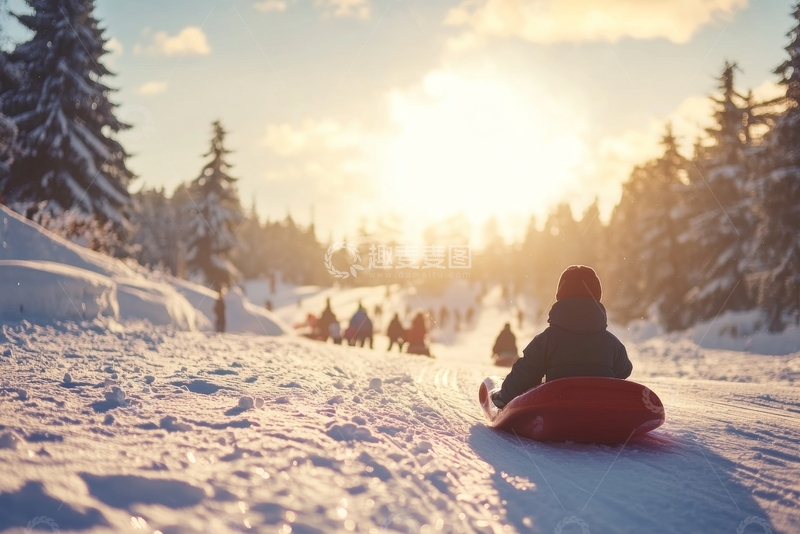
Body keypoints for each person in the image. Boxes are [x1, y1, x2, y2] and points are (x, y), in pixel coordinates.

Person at [492, 266, 632, 408]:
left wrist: (504, 397)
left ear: (561, 295)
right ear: (597, 296)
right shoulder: (610, 342)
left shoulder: (547, 340)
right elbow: (624, 370)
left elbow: (525, 373)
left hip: (559, 406)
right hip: (599, 406)